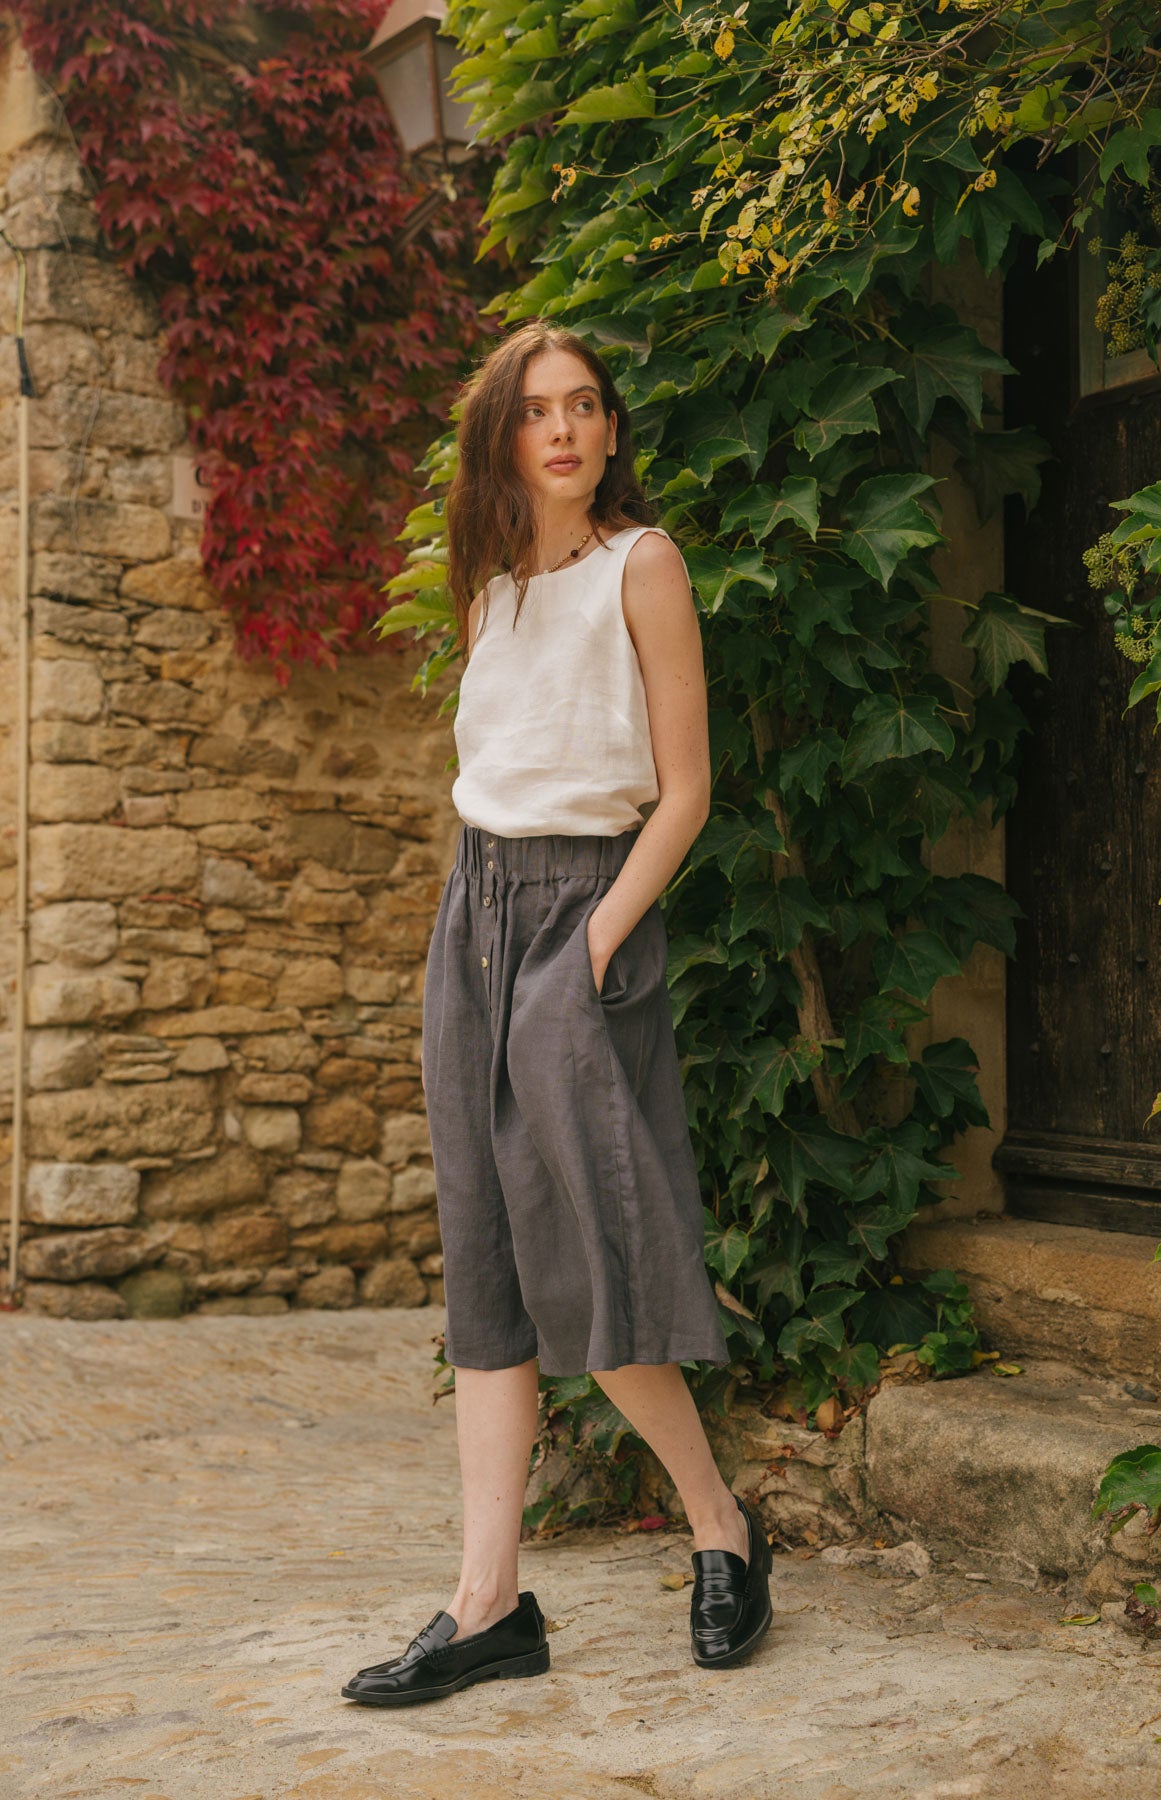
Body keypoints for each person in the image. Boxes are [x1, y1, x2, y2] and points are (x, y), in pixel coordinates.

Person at [342, 322, 773, 1708]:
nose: (569, 431)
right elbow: (496, 775)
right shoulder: (488, 591)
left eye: (586, 405)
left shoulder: (640, 567)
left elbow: (687, 789)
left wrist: (586, 945)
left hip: (585, 921)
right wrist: (481, 932)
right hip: (473, 918)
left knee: (590, 1243)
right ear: (503, 439)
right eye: (540, 412)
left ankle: (721, 1526)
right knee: (484, 1256)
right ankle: (488, 1606)